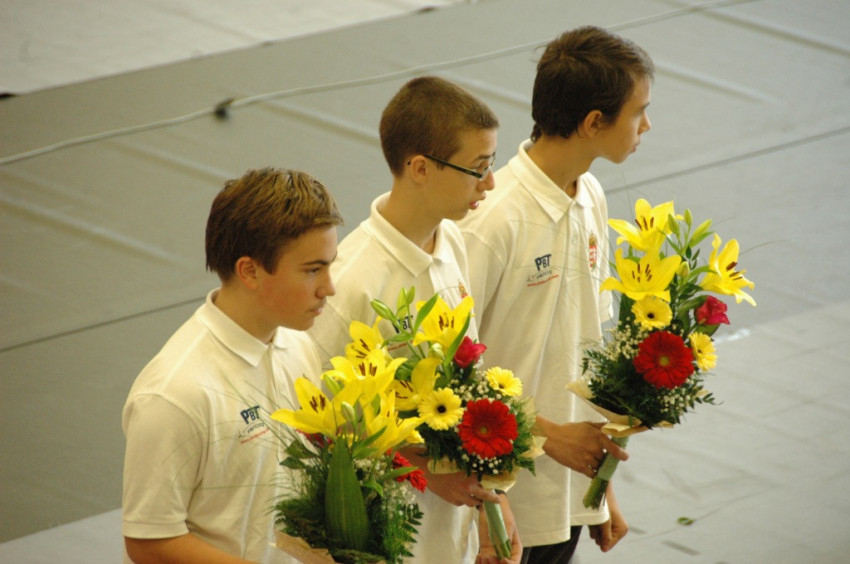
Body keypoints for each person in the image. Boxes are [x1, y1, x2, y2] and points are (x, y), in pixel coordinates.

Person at [458, 26, 655, 562]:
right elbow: (451, 374)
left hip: (564, 493)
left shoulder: (590, 194)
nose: (646, 125)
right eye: (638, 112)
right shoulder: (492, 221)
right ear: (593, 123)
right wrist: (547, 438)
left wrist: (600, 488)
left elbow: (582, 345)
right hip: (495, 509)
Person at [308, 76, 521, 564]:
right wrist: (421, 469)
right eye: (478, 168)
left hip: (453, 533)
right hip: (390, 539)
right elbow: (319, 428)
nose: (490, 183)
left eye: (492, 164)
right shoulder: (352, 282)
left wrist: (494, 502)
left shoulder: (452, 242)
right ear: (420, 168)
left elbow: (467, 390)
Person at [121, 168, 342, 564]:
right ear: (250, 271)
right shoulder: (173, 394)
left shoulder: (298, 345)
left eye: (329, 266)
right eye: (313, 270)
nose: (329, 287)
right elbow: (149, 542)